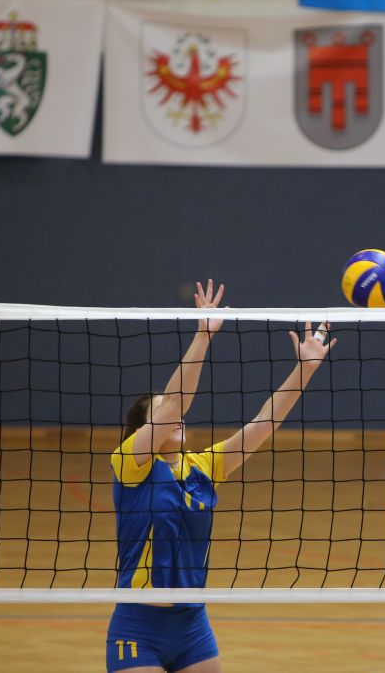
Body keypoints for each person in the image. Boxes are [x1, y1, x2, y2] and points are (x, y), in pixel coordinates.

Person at [106, 279, 335, 673]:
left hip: (192, 625)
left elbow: (265, 423)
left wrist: (304, 371)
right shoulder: (130, 464)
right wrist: (203, 336)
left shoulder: (203, 467)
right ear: (143, 429)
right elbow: (175, 402)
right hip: (138, 625)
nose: (175, 416)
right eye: (160, 413)